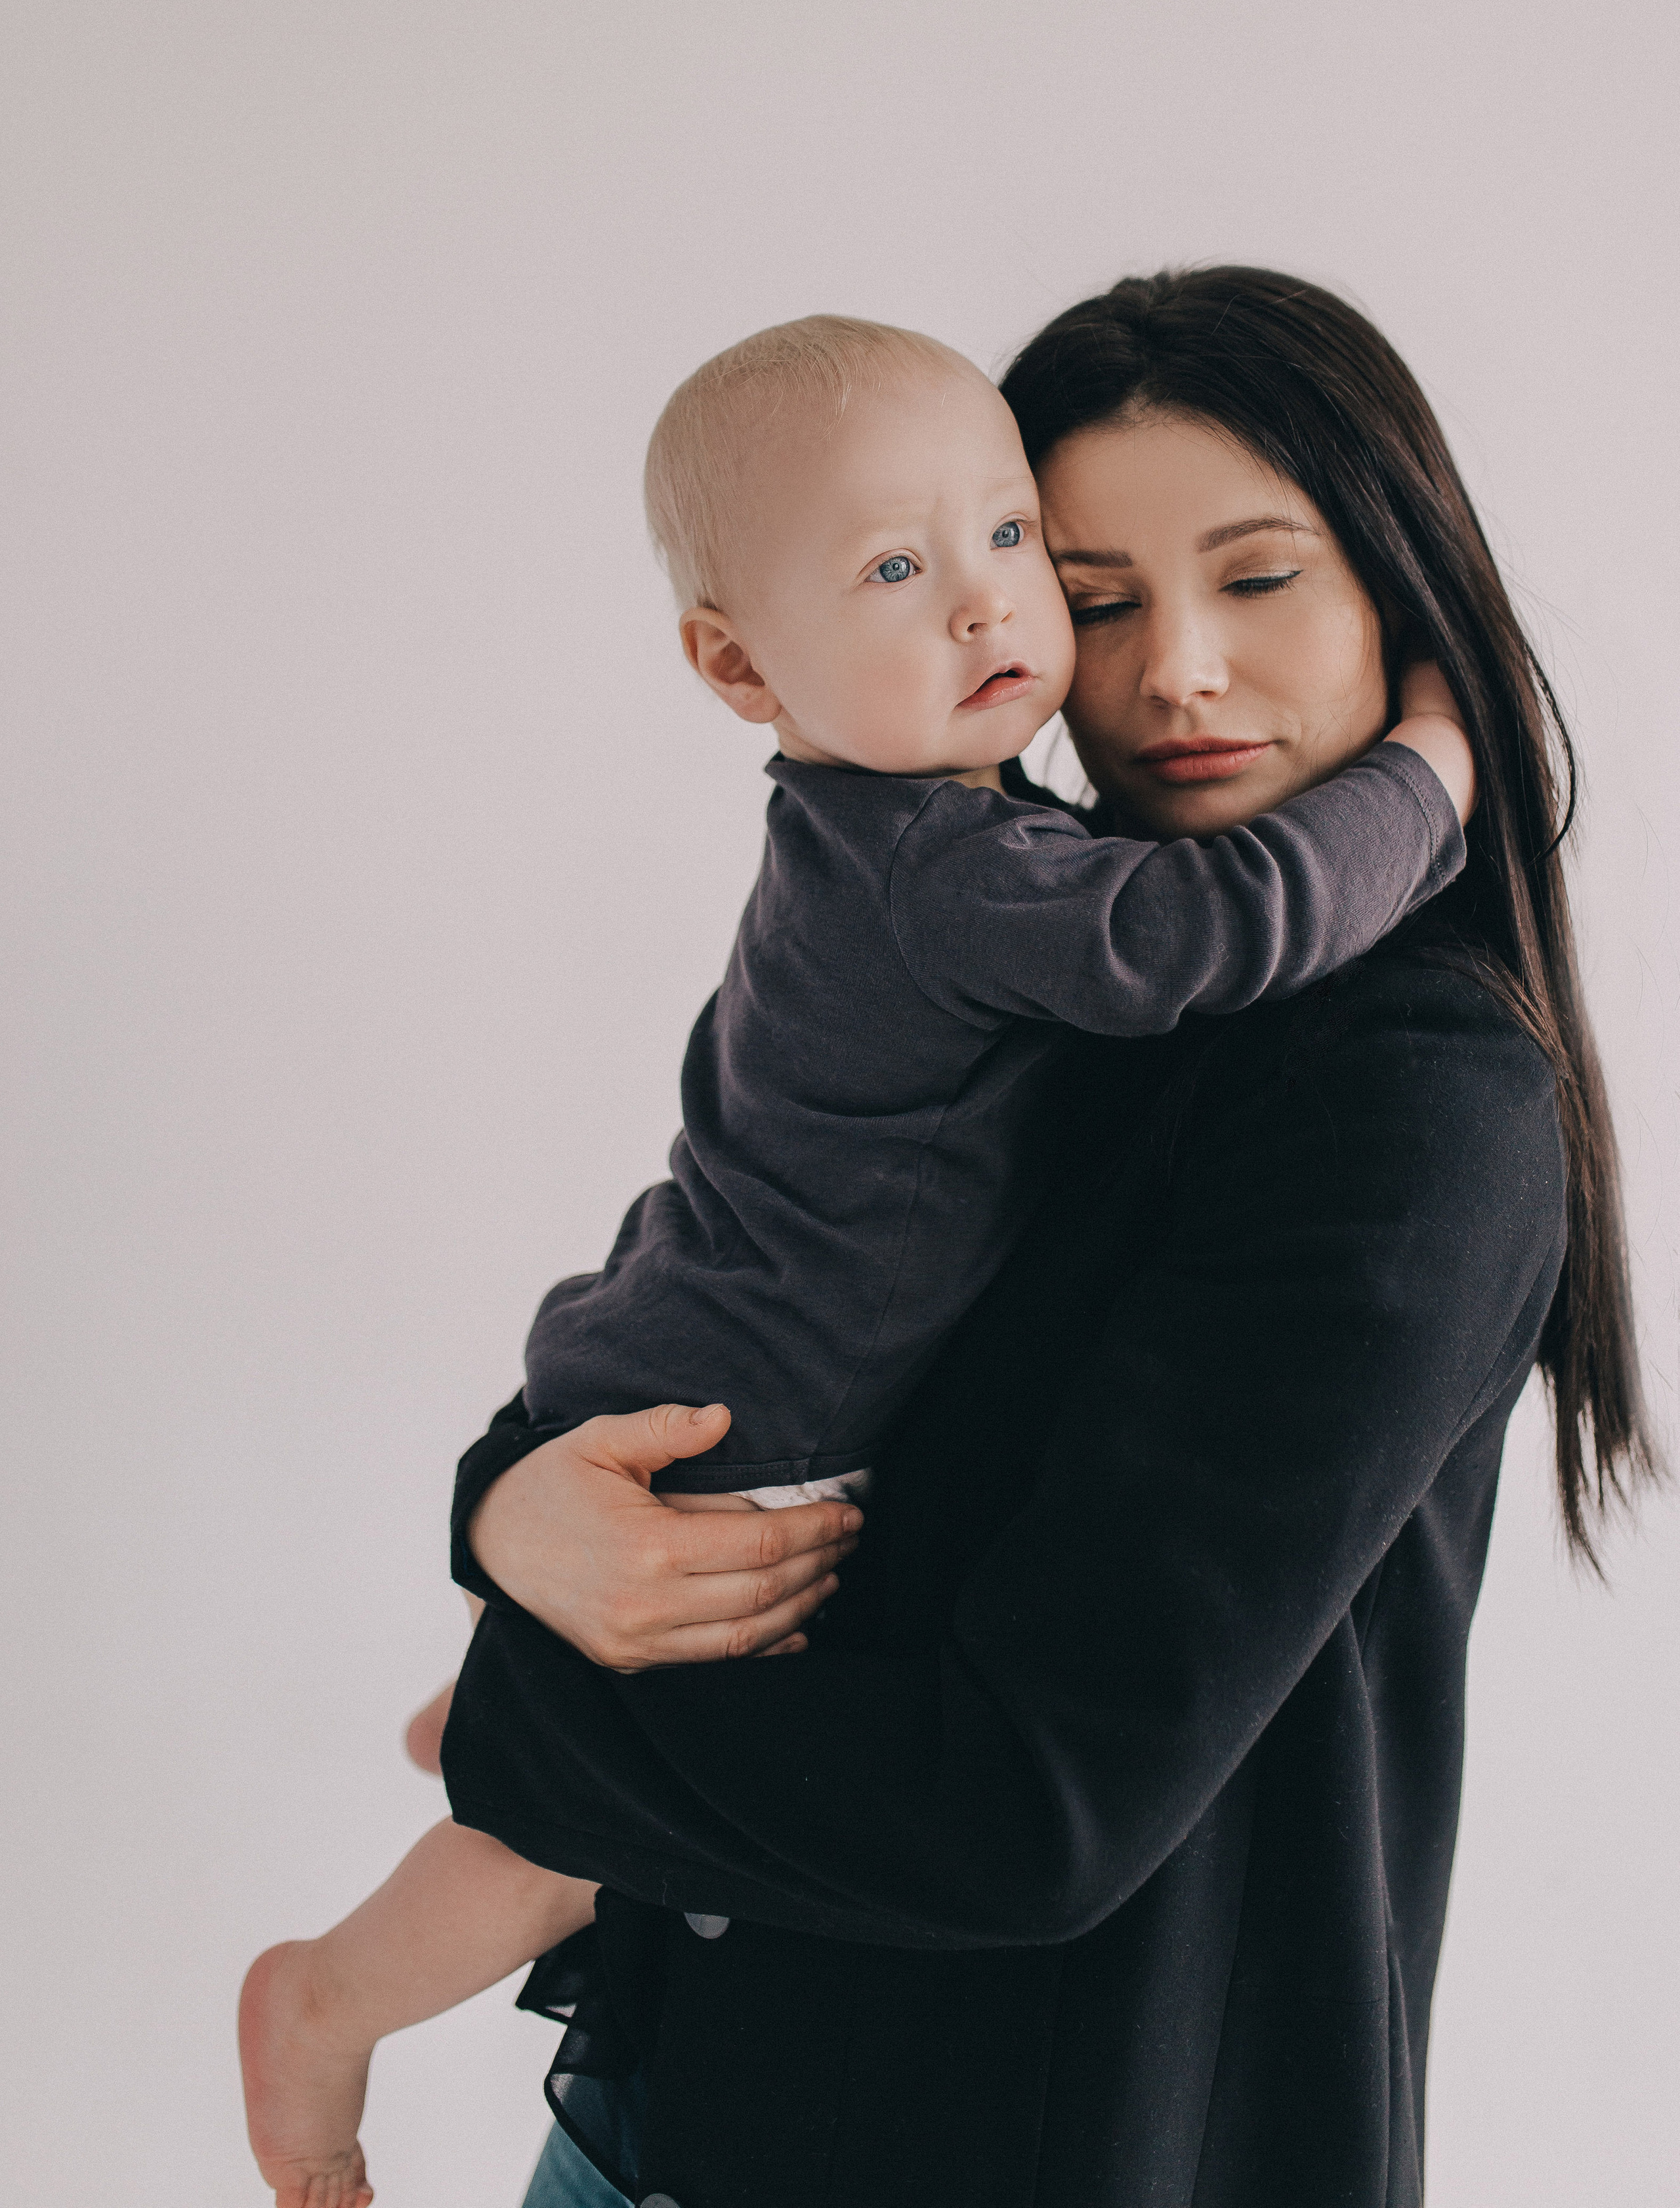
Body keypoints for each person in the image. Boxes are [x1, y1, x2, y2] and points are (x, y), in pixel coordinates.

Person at [439, 270, 1656, 2208]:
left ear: (1407, 592)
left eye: (1259, 578)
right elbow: (747, 1300)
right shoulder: (1032, 969)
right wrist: (509, 1509)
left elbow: (1036, 1806)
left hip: (1018, 2144)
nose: (1172, 671)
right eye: (1095, 596)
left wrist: (523, 1703)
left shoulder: (1407, 1100)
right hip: (700, 2094)